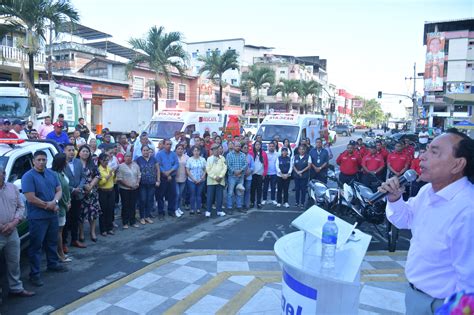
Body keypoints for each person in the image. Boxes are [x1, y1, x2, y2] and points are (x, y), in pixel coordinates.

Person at [379, 129, 474, 315]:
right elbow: (404, 219)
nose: (422, 156)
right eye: (426, 149)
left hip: (442, 306)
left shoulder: (468, 211)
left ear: (458, 165)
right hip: (415, 296)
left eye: (434, 152)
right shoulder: (427, 192)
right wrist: (394, 199)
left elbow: (470, 283)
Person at [22, 151, 67, 287]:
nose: (41, 162)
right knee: (36, 246)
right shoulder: (28, 176)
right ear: (34, 161)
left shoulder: (51, 174)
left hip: (52, 215)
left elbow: (59, 190)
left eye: (44, 159)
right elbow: (30, 198)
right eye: (39, 160)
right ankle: (34, 274)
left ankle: (52, 264)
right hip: (37, 217)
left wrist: (55, 202)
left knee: (51, 242)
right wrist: (48, 206)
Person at [0, 166, 36, 297]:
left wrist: (13, 223)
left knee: (14, 261)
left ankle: (15, 287)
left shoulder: (12, 188)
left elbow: (21, 207)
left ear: (3, 174)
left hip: (12, 231)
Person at [63, 143, 87, 249]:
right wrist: (72, 189)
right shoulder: (61, 164)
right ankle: (63, 243)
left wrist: (80, 188)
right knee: (66, 221)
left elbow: (83, 177)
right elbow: (60, 181)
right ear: (64, 151)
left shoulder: (78, 162)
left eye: (73, 150)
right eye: (69, 150)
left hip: (78, 195)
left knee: (76, 219)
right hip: (67, 196)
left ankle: (74, 240)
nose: (72, 152)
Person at [77, 145, 101, 242]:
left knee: (93, 213)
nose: (85, 153)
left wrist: (91, 185)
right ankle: (81, 233)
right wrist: (83, 186)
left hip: (92, 193)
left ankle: (92, 232)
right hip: (80, 193)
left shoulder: (92, 164)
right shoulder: (75, 164)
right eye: (83, 151)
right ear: (79, 153)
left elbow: (98, 175)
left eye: (87, 151)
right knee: (80, 214)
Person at [51, 153, 71, 263]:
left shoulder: (62, 173)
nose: (67, 162)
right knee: (59, 231)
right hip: (61, 206)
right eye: (66, 160)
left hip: (65, 204)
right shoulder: (56, 175)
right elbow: (60, 192)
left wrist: (69, 201)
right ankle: (60, 254)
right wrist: (65, 203)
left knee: (61, 230)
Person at [136, 145, 160, 224]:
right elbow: (135, 170)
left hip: (152, 183)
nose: (146, 152)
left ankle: (147, 216)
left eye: (147, 150)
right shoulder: (138, 160)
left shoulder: (154, 159)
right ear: (141, 151)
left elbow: (158, 170)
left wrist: (158, 180)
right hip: (142, 184)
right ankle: (142, 217)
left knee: (150, 200)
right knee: (143, 200)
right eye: (144, 150)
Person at [156, 139, 179, 219]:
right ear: (163, 145)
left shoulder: (174, 154)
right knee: (161, 195)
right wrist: (165, 173)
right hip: (162, 177)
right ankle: (161, 212)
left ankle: (171, 211)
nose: (169, 146)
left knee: (172, 194)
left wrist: (169, 172)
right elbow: (158, 165)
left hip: (171, 176)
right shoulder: (159, 154)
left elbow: (176, 164)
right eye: (167, 144)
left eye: (170, 144)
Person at [116, 152, 141, 228]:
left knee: (133, 205)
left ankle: (132, 221)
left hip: (134, 188)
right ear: (124, 157)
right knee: (125, 205)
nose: (128, 157)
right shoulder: (121, 166)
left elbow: (139, 175)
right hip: (125, 189)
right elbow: (119, 179)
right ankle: (125, 222)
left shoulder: (135, 165)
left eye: (130, 156)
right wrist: (129, 185)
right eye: (127, 156)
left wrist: (137, 183)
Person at [205, 143, 227, 217]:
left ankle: (219, 210)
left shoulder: (222, 158)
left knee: (220, 196)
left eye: (217, 149)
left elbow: (225, 168)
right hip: (211, 181)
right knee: (210, 196)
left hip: (220, 181)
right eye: (214, 149)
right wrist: (215, 177)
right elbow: (208, 169)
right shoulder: (209, 159)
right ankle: (208, 210)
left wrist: (220, 176)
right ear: (212, 151)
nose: (216, 151)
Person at [226, 141, 247, 213]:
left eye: (239, 146)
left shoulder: (243, 155)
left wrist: (240, 171)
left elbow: (245, 164)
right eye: (236, 146)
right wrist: (234, 171)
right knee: (230, 192)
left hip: (240, 176)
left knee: (239, 192)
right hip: (232, 176)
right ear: (233, 146)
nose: (238, 147)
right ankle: (229, 207)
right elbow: (228, 165)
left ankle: (239, 206)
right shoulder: (229, 155)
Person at [97, 153, 116, 236]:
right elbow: (101, 183)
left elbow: (113, 179)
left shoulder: (109, 167)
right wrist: (109, 175)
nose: (107, 162)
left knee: (110, 209)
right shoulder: (99, 170)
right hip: (103, 191)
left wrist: (114, 175)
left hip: (111, 191)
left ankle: (110, 228)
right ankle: (103, 229)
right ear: (100, 160)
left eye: (108, 160)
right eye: (105, 160)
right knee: (103, 210)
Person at [186, 146, 207, 215]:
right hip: (191, 180)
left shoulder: (203, 159)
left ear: (199, 152)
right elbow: (187, 170)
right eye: (195, 151)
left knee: (199, 195)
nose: (196, 152)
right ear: (192, 152)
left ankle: (198, 209)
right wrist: (193, 179)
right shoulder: (189, 159)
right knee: (192, 195)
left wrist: (201, 178)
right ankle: (192, 209)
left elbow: (205, 170)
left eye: (197, 151)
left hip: (201, 180)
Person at [250, 140, 268, 209]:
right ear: (254, 146)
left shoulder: (264, 153)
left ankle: (258, 203)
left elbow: (266, 164)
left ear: (261, 146)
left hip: (260, 174)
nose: (258, 146)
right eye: (256, 144)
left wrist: (264, 173)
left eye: (259, 144)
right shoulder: (251, 153)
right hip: (252, 174)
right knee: (252, 189)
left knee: (259, 189)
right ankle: (252, 202)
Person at [175, 144, 188, 215]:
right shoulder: (173, 156)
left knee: (180, 195)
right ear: (176, 149)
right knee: (177, 194)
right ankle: (175, 209)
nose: (180, 150)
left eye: (181, 149)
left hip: (183, 178)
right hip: (175, 179)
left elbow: (188, 166)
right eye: (178, 149)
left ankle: (178, 208)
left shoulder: (186, 157)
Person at [242, 143, 254, 211]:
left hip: (249, 176)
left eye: (247, 147)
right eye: (244, 147)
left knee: (247, 190)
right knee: (240, 191)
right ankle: (240, 204)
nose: (246, 149)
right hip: (241, 177)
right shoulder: (240, 156)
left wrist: (249, 172)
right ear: (242, 148)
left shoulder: (250, 157)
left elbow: (253, 166)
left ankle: (246, 204)